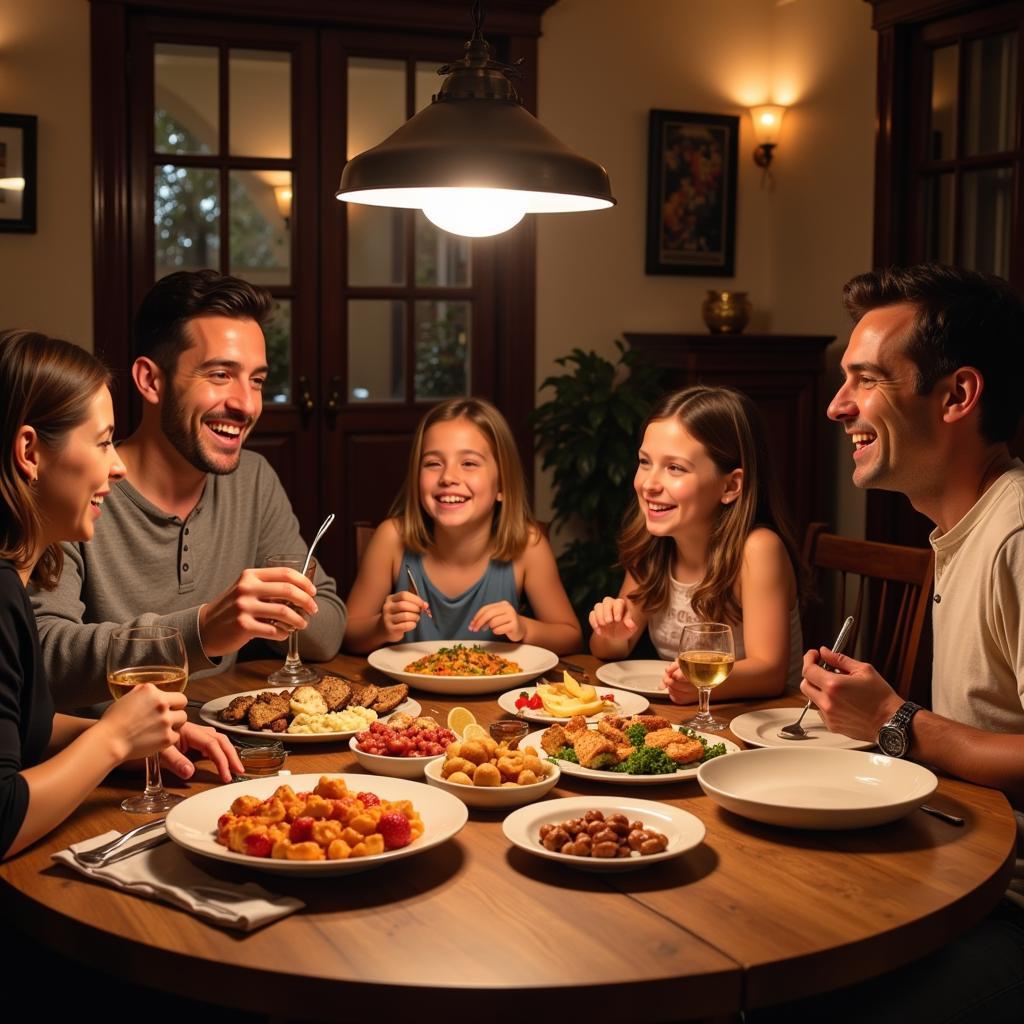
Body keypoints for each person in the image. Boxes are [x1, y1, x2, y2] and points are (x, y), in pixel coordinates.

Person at [769, 264, 1024, 1021]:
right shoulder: (963, 528)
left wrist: (896, 721)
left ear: (957, 396)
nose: (837, 406)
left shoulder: (1016, 535)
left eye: (866, 380)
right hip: (961, 869)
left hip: (1003, 911)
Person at [31, 270, 346, 710]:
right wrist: (200, 630)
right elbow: (41, 654)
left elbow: (328, 630)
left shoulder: (252, 480)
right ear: (151, 381)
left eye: (256, 380)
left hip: (217, 740)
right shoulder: (79, 490)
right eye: (220, 374)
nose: (246, 404)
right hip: (106, 763)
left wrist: (278, 606)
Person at [0, 329, 242, 860]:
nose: (119, 465)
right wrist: (108, 741)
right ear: (29, 452)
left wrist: (130, 742)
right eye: (104, 441)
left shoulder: (15, 582)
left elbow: (20, 732)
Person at [589, 386, 805, 703]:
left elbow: (769, 672)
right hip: (689, 719)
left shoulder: (758, 550)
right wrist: (612, 633)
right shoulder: (654, 545)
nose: (649, 484)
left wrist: (698, 683)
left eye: (675, 468)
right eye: (645, 462)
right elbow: (607, 649)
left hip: (763, 725)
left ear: (730, 486)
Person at [344, 397, 581, 654]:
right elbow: (347, 634)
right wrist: (381, 626)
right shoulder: (391, 539)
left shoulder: (528, 545)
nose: (448, 477)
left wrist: (525, 628)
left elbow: (571, 637)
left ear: (501, 485)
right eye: (433, 463)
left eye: (468, 463)